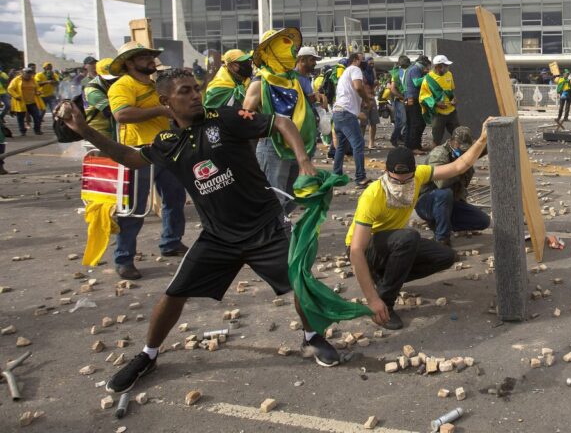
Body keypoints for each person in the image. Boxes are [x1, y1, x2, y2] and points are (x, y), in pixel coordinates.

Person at [57, 69, 347, 394]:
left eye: (196, 88)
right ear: (166, 101)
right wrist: (83, 129)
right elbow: (128, 157)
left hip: (265, 227)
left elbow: (280, 122)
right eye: (185, 91)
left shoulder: (225, 118)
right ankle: (148, 355)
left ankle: (311, 337)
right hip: (218, 236)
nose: (195, 94)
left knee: (300, 283)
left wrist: (304, 159)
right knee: (173, 294)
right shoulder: (167, 142)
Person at [346, 124, 490, 330]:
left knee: (446, 256)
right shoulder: (373, 195)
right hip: (367, 249)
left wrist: (483, 137)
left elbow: (459, 166)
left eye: (408, 180)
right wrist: (372, 300)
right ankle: (385, 303)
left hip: (393, 243)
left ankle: (384, 279)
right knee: (408, 238)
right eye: (397, 180)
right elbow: (356, 250)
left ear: (415, 173)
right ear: (386, 172)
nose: (403, 186)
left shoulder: (420, 175)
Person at [108, 42, 188, 279]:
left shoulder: (154, 85)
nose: (150, 60)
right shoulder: (123, 85)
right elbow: (122, 114)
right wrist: (160, 111)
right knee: (134, 207)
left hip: (163, 148)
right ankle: (124, 257)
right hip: (137, 152)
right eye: (144, 57)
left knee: (175, 197)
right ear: (130, 63)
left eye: (150, 56)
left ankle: (171, 242)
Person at [243, 29, 321, 215]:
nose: (292, 52)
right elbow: (245, 117)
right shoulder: (260, 82)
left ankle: (279, 225)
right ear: (272, 52)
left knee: (294, 194)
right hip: (273, 145)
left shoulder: (292, 80)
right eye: (285, 47)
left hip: (298, 144)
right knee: (274, 196)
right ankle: (273, 233)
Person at [415, 126, 490, 246]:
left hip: (450, 203)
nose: (464, 153)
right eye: (461, 149)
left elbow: (481, 149)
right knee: (445, 193)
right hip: (428, 201)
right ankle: (441, 239)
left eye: (467, 150)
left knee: (483, 221)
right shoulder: (439, 154)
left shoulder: (463, 153)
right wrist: (460, 168)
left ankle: (442, 223)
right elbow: (441, 183)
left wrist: (487, 135)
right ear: (453, 142)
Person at [331, 52, 372, 186]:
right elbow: (358, 87)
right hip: (345, 113)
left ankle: (336, 175)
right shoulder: (355, 69)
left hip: (338, 112)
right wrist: (367, 100)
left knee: (341, 147)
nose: (364, 62)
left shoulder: (344, 73)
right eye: (362, 59)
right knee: (358, 144)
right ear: (355, 60)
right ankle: (360, 177)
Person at [419, 55, 459, 146]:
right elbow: (423, 97)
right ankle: (434, 158)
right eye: (445, 66)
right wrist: (436, 104)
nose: (447, 67)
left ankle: (459, 157)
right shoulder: (428, 79)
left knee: (458, 136)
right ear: (438, 67)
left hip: (452, 112)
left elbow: (451, 90)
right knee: (436, 139)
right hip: (438, 114)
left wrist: (454, 99)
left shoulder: (449, 74)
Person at [82, 58, 119, 139]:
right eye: (110, 79)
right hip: (100, 132)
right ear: (98, 74)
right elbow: (111, 112)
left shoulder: (111, 84)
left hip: (113, 129)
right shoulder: (92, 91)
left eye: (115, 77)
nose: (114, 80)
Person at [402, 55, 430, 153]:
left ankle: (410, 146)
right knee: (417, 123)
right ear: (423, 64)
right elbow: (416, 83)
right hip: (412, 99)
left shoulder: (413, 69)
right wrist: (427, 76)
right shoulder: (415, 69)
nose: (427, 68)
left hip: (410, 99)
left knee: (412, 124)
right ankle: (414, 147)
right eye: (427, 66)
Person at [9, 68, 45, 135]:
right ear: (22, 73)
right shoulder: (16, 80)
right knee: (20, 118)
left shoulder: (33, 79)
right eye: (27, 74)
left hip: (32, 102)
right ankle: (22, 131)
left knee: (37, 116)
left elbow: (37, 88)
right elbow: (10, 89)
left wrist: (38, 92)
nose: (29, 76)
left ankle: (37, 130)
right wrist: (16, 96)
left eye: (30, 74)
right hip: (21, 102)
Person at [387, 56, 410, 148]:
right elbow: (391, 87)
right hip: (399, 100)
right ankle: (394, 139)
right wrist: (402, 97)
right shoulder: (396, 73)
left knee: (405, 121)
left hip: (403, 100)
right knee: (401, 122)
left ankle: (403, 138)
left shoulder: (406, 72)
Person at [360, 58, 380, 149]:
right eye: (370, 63)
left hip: (372, 99)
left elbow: (375, 84)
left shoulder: (372, 72)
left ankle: (371, 143)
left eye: (373, 63)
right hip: (364, 100)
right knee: (363, 123)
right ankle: (361, 143)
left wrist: (375, 84)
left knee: (373, 122)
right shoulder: (361, 73)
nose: (372, 64)